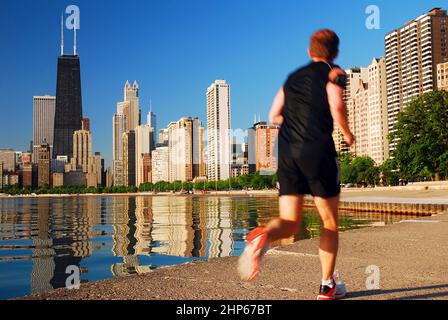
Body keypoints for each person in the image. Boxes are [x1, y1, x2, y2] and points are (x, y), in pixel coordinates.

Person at [238, 29, 355, 300]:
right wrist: (347, 133)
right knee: (329, 222)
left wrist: (294, 123)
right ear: (335, 52)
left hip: (287, 151)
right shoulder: (334, 72)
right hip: (317, 150)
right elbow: (336, 104)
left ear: (308, 51)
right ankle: (327, 286)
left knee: (290, 221)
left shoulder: (291, 78)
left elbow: (273, 114)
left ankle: (263, 237)